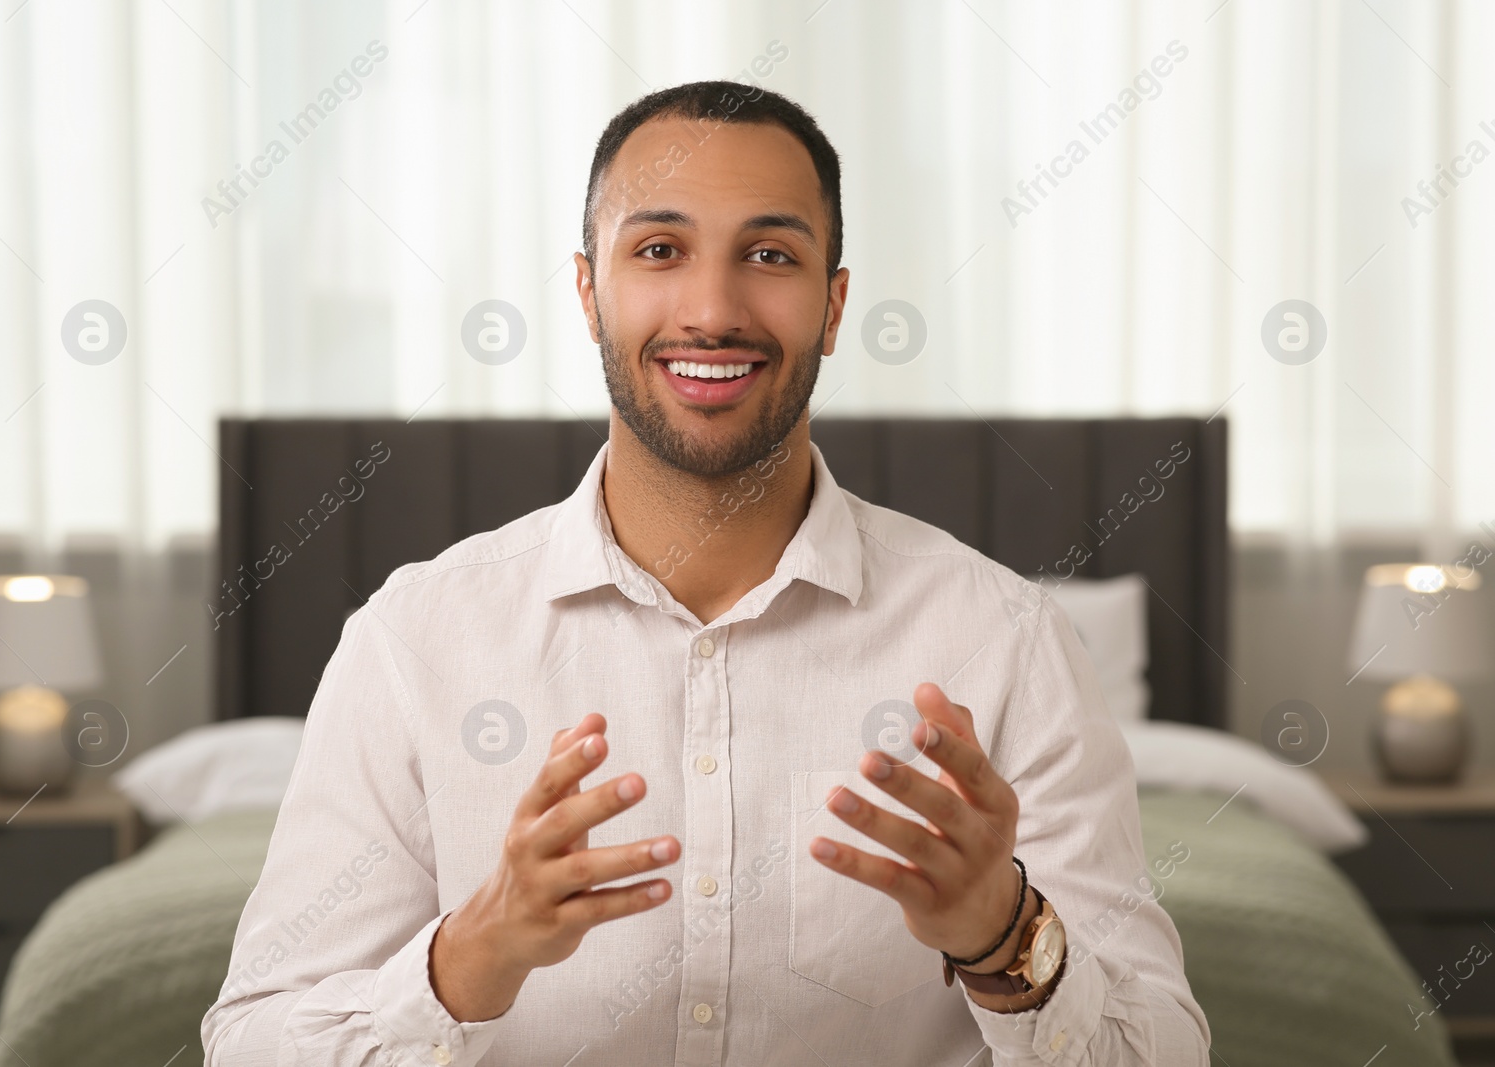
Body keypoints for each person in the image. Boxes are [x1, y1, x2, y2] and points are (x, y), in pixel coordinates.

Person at [203, 79, 1210, 1065]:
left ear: (833, 302)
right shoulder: (414, 640)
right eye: (658, 250)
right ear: (590, 291)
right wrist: (468, 957)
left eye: (769, 253)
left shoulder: (1006, 642)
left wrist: (1002, 933)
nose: (713, 307)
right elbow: (247, 1043)